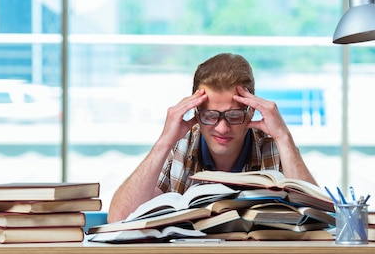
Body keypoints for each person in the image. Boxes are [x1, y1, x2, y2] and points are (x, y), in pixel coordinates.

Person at [107, 53, 317, 222]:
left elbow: (318, 217)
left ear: (251, 111)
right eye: (210, 116)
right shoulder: (180, 144)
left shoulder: (273, 146)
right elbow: (119, 218)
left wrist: (283, 136)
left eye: (234, 115)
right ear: (196, 112)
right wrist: (164, 142)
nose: (222, 128)